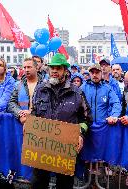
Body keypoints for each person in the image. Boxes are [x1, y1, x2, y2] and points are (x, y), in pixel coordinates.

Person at [31, 53, 92, 189]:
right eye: (52, 68)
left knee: (64, 184)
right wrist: (30, 124)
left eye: (58, 68)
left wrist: (80, 134)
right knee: (38, 183)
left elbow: (86, 118)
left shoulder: (77, 93)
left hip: (65, 148)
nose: (54, 71)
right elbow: (34, 111)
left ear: (65, 71)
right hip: (42, 146)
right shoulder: (40, 89)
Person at [8, 58, 41, 124]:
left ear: (36, 68)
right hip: (22, 122)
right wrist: (19, 113)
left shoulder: (45, 85)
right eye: (25, 67)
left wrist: (32, 113)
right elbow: (11, 103)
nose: (26, 70)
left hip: (40, 123)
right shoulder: (18, 85)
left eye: (29, 67)